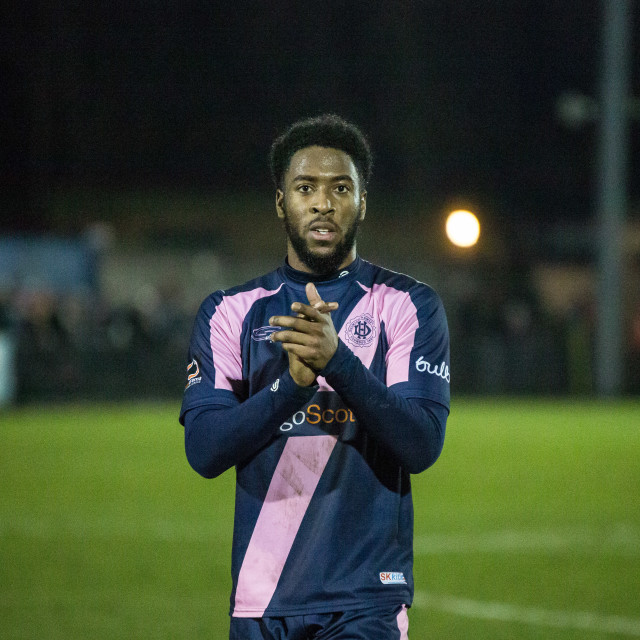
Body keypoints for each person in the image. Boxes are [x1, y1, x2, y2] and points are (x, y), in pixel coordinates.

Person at [179, 114, 450, 640]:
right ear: (282, 202)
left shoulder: (409, 306)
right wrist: (292, 387)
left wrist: (339, 363)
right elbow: (204, 451)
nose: (323, 203)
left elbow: (421, 444)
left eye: (341, 188)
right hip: (261, 598)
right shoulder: (229, 313)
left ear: (363, 202)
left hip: (365, 598)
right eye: (306, 188)